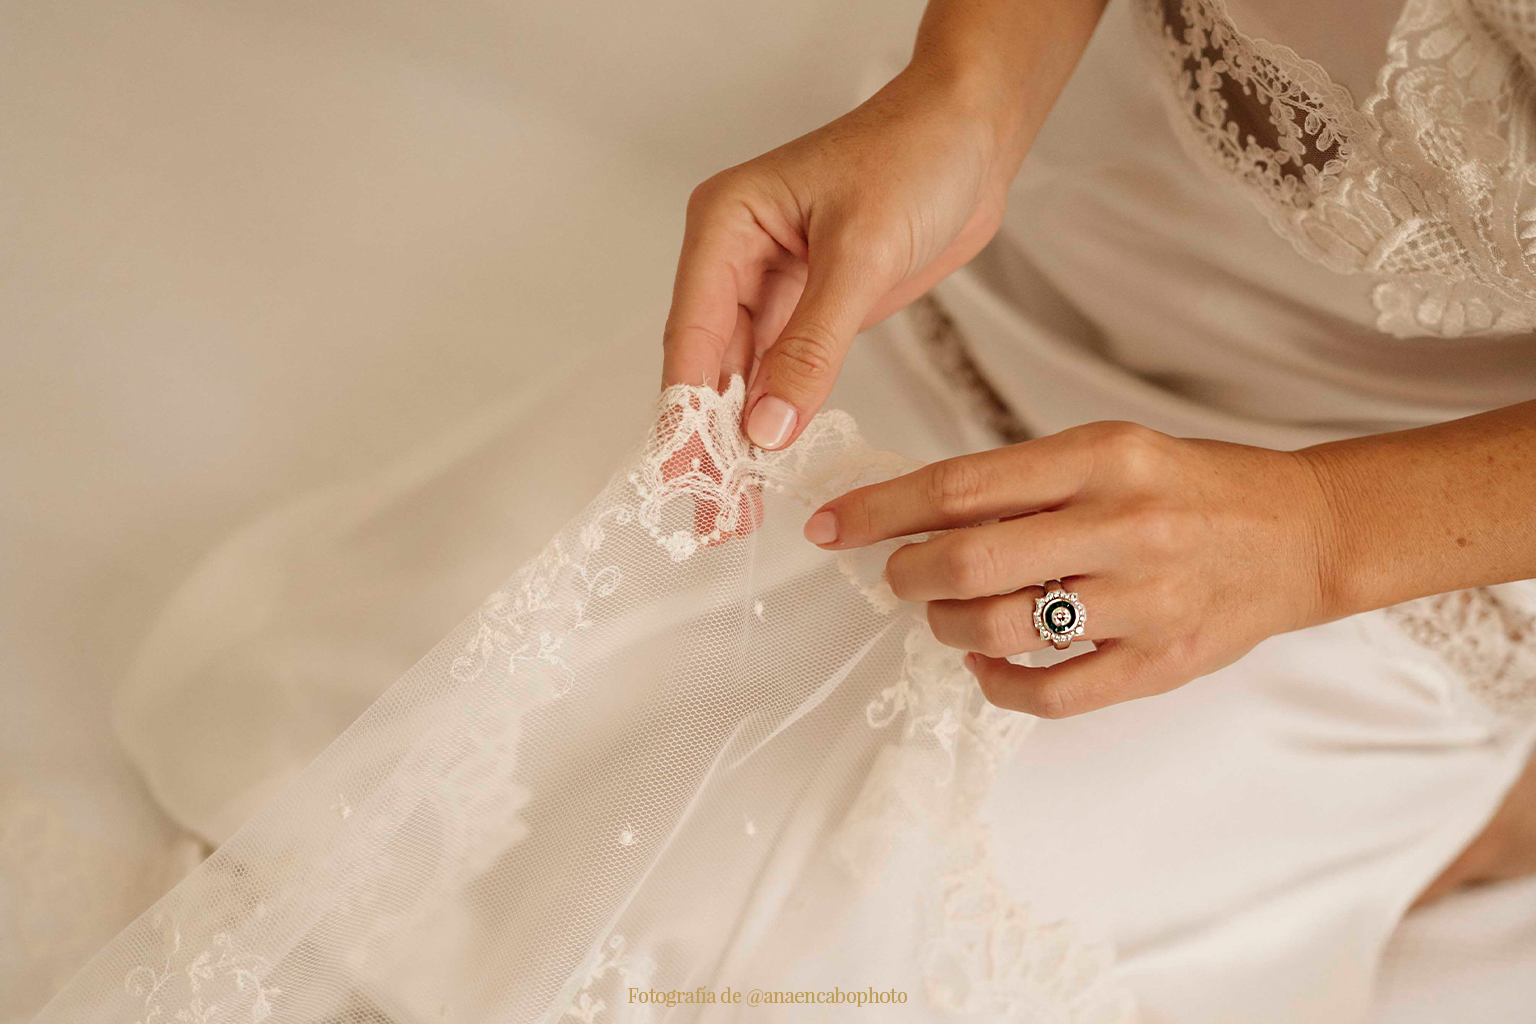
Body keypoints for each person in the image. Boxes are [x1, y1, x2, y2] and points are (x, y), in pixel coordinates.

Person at [660, 0, 1536, 909]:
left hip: (1396, 505)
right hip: (1028, 224)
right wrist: (971, 92)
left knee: (834, 882)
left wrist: (1320, 533)